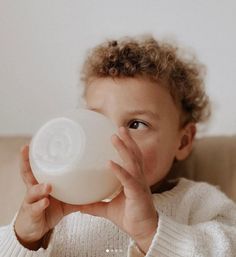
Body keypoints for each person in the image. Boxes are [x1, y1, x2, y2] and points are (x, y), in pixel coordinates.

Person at [0, 35, 236, 257]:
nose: (109, 140)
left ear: (183, 141)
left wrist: (150, 231)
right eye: (96, 122)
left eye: (136, 124)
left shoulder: (197, 201)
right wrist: (24, 237)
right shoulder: (61, 201)